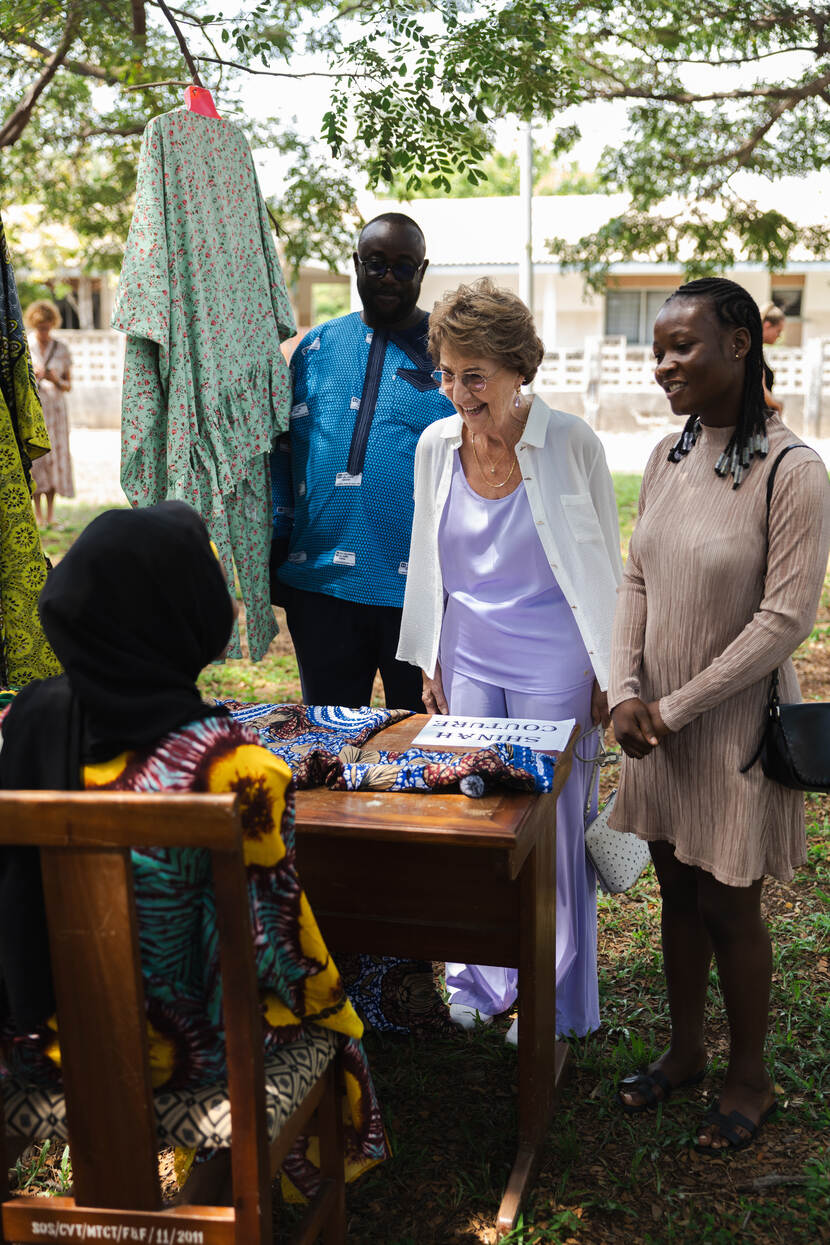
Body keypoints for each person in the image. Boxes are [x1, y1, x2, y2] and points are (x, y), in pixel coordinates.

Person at [0, 501, 386, 1198]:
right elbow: (277, 951)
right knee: (323, 1021)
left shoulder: (20, 726)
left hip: (37, 1033)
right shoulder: (236, 773)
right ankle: (209, 1208)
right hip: (192, 1057)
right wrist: (340, 1011)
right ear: (189, 620)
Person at [609, 278, 830, 1153]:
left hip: (733, 731)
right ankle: (685, 1051)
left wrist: (676, 705)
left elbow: (785, 620)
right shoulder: (668, 454)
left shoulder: (792, 469)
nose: (663, 364)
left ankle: (750, 1075)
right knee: (674, 893)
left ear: (740, 344)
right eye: (658, 348)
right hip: (654, 722)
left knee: (731, 904)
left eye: (682, 347)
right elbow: (636, 578)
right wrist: (627, 688)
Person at [397, 278, 623, 1042]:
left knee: (553, 826)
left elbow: (604, 565)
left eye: (474, 375)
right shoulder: (435, 445)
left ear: (516, 367)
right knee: (472, 815)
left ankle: (555, 999)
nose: (458, 391)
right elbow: (428, 560)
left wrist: (606, 665)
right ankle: (479, 980)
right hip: (467, 651)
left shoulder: (571, 441)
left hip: (555, 655)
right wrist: (428, 653)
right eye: (447, 372)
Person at [270, 212, 447, 712]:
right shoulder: (315, 349)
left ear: (422, 271)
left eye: (403, 267)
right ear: (356, 266)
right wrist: (276, 549)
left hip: (421, 593)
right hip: (320, 585)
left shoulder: (449, 352)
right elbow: (282, 453)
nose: (389, 277)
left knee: (421, 743)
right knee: (330, 739)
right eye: (376, 264)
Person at [0, 218, 60, 688]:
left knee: (52, 470)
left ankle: (50, 513)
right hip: (28, 406)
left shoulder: (60, 347)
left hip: (56, 407)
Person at [24, 300, 74, 527]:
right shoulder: (26, 347)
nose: (43, 332)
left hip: (56, 412)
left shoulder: (62, 349)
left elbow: (68, 385)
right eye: (39, 327)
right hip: (35, 410)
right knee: (37, 459)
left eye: (46, 327)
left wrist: (56, 379)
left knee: (54, 458)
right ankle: (38, 515)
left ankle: (51, 515)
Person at [759, 300, 786, 399]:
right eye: (778, 331)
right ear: (767, 325)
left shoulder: (758, 350)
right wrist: (778, 405)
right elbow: (760, 389)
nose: (779, 336)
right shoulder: (753, 350)